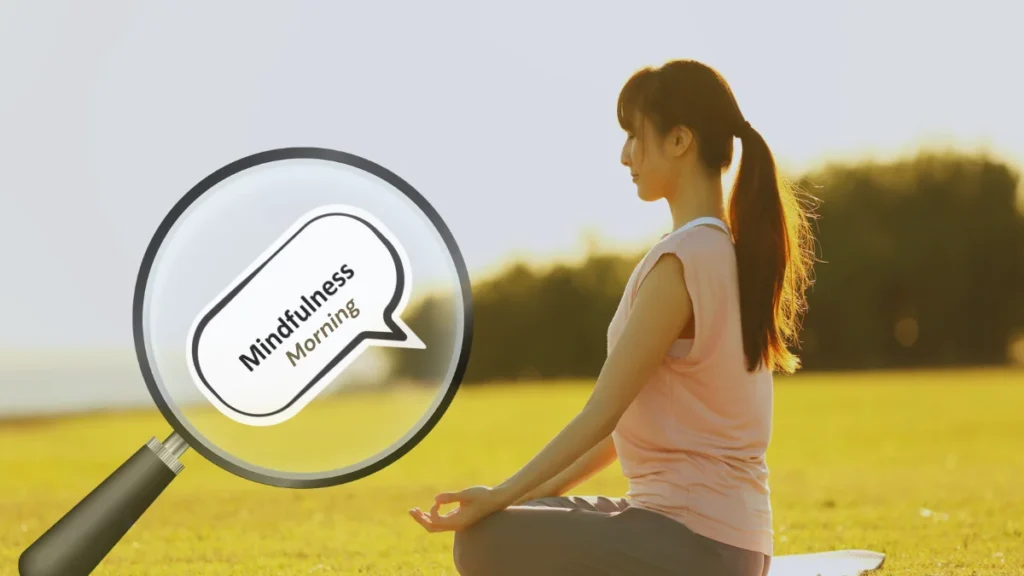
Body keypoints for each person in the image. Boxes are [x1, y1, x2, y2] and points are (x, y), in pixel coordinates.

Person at [409, 58, 817, 576]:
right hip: (725, 545)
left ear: (679, 140)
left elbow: (601, 412)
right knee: (502, 524)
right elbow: (620, 429)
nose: (625, 155)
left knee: (481, 543)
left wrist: (499, 497)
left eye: (633, 135)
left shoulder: (682, 262)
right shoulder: (724, 253)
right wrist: (521, 499)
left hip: (695, 544)